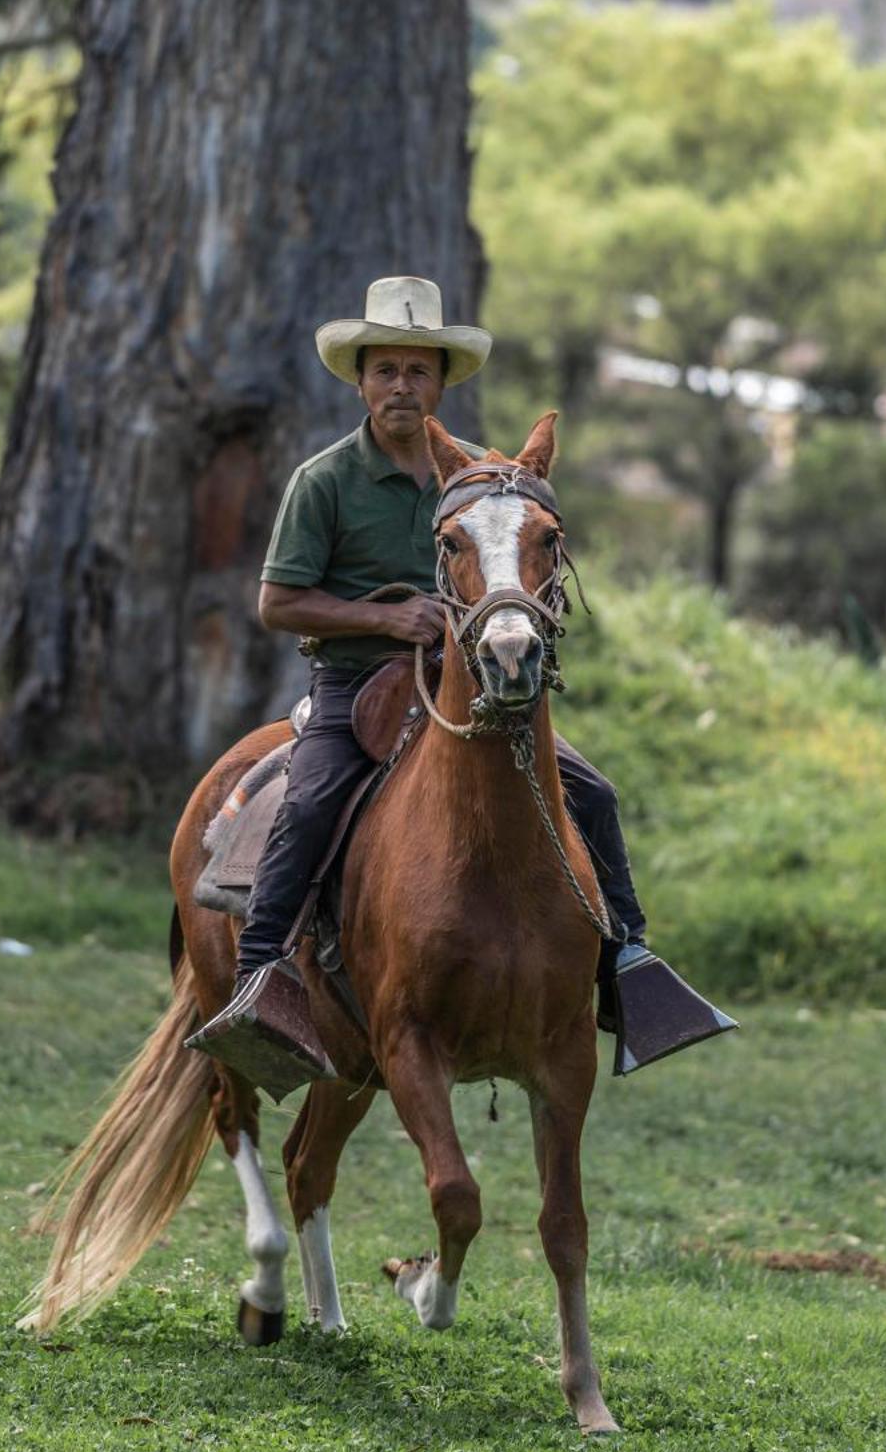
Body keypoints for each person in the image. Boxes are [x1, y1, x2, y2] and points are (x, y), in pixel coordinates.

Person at [195, 276, 654, 1088]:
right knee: (306, 805)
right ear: (361, 380)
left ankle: (630, 964)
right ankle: (262, 979)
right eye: (385, 371)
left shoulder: (483, 477)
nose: (400, 386)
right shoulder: (324, 480)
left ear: (440, 384)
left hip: (466, 684)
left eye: (417, 371)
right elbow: (277, 603)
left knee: (594, 793)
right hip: (356, 688)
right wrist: (387, 620)